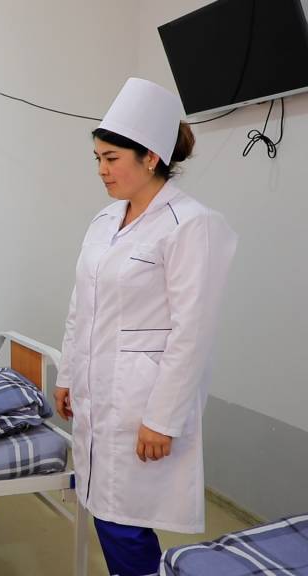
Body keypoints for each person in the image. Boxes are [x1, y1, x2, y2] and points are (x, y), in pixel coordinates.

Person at [55, 77, 238, 576]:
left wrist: (163, 418)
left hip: (142, 400)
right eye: (97, 158)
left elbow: (192, 332)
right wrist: (67, 374)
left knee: (124, 520)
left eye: (111, 158)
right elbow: (80, 305)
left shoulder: (191, 224)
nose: (101, 169)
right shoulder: (104, 220)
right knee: (103, 507)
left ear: (151, 157)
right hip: (97, 392)